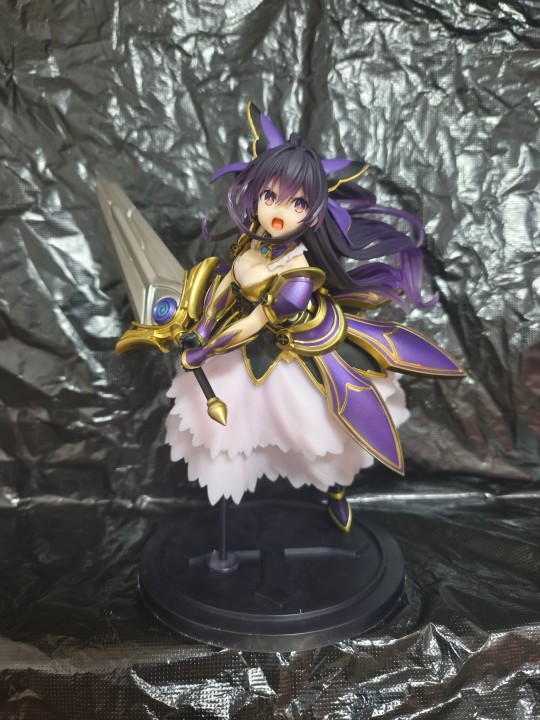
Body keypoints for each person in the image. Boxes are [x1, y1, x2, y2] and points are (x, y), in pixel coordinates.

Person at [165, 102, 463, 532]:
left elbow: (254, 324)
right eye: (270, 196)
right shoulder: (254, 240)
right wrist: (204, 326)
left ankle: (335, 489)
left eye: (297, 202)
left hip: (305, 341)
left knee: (319, 431)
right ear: (255, 193)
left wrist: (207, 350)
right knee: (232, 430)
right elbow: (228, 282)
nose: (279, 211)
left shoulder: (298, 274)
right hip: (245, 338)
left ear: (313, 212)